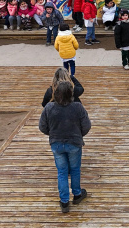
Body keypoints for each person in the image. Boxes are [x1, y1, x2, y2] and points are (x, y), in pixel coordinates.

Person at [39, 80, 91, 214]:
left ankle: (64, 202)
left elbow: (42, 127)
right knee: (74, 170)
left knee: (61, 172)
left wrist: (53, 134)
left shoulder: (49, 108)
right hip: (74, 143)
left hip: (56, 144)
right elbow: (86, 126)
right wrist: (79, 135)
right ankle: (77, 195)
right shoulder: (77, 107)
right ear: (71, 94)